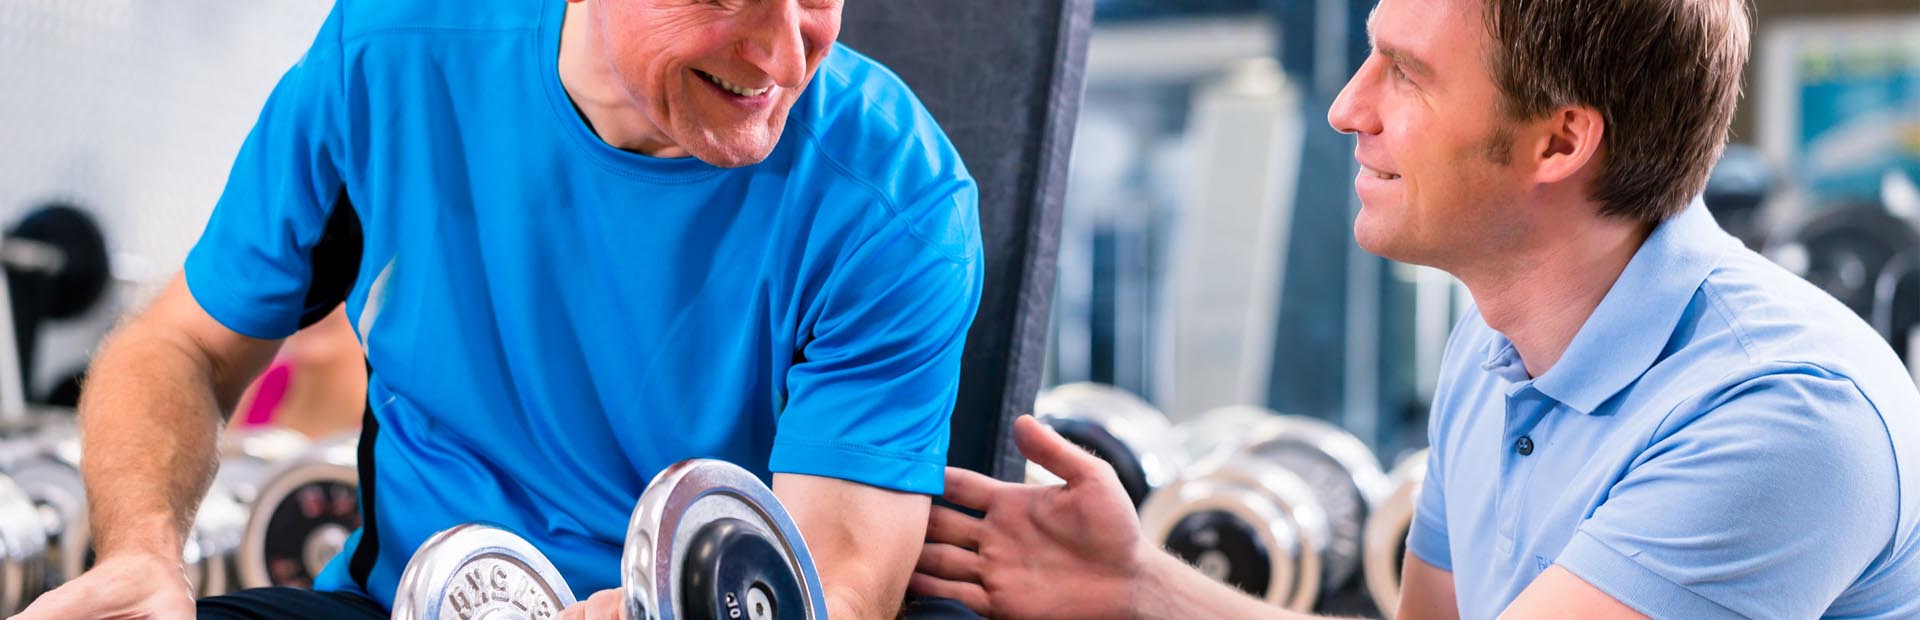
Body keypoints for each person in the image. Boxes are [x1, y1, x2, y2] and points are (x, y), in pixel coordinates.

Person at [911, 0, 1920, 618]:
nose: (1350, 106)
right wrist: (1135, 584)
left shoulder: (1787, 412)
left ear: (1560, 143)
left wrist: (1145, 597)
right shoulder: (1497, 336)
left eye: (1409, 73)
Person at [17, 0, 983, 618]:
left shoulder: (895, 198)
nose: (781, 52)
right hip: (403, 605)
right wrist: (144, 554)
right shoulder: (387, 54)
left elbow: (835, 584)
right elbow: (178, 346)